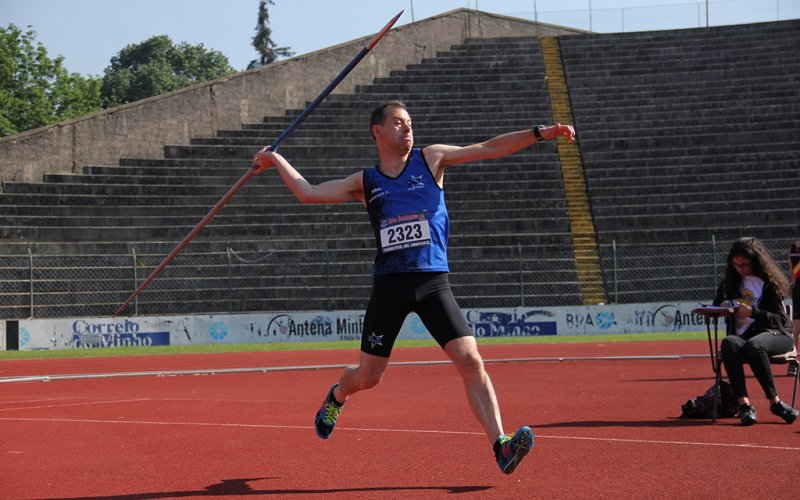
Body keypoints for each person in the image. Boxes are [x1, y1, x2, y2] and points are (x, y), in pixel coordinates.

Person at [252, 100, 575, 474]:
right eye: (400, 123)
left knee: (471, 360)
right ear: (378, 131)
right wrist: (275, 160)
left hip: (432, 280)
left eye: (410, 123)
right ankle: (337, 395)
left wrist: (541, 133)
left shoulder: (432, 159)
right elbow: (308, 192)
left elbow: (488, 148)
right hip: (389, 286)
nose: (408, 129)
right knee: (368, 377)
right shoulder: (366, 182)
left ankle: (501, 446)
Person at [712, 237, 798, 425]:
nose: (739, 269)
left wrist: (753, 312)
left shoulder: (768, 283)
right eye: (735, 265)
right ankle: (745, 405)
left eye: (744, 265)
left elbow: (780, 320)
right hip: (745, 336)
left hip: (776, 334)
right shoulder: (729, 282)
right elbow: (716, 304)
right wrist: (723, 307)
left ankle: (775, 402)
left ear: (756, 262)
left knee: (755, 345)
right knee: (730, 343)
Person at [789, 240, 800, 377]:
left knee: (796, 326)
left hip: (798, 286)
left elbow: (791, 270)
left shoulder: (793, 247)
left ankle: (792, 364)